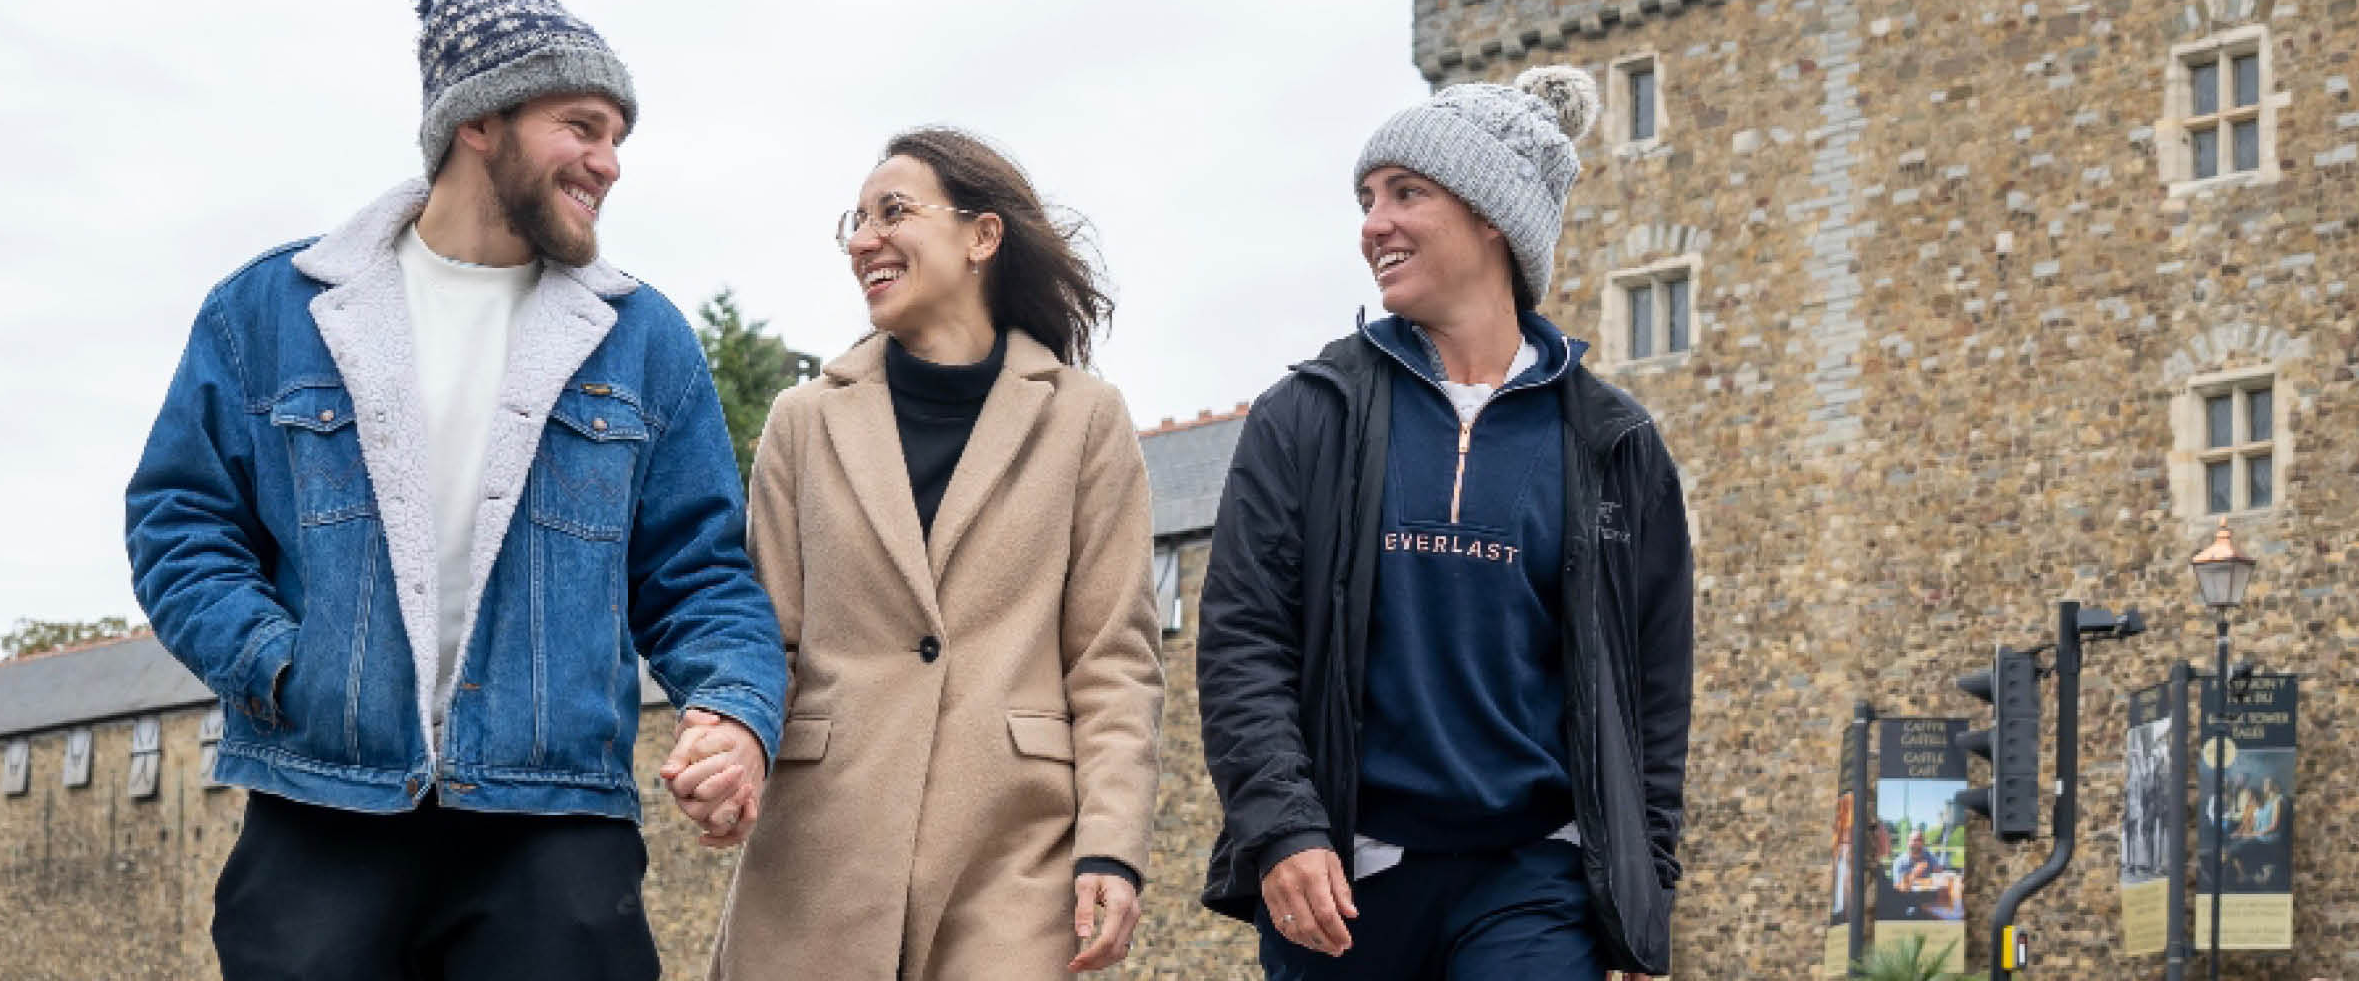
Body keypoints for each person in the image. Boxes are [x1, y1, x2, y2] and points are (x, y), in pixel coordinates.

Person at [123, 0, 786, 980]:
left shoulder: (643, 341)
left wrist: (735, 712)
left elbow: (700, 574)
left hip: (553, 824)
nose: (607, 164)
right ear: (480, 122)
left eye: (618, 139)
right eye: (582, 127)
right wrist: (280, 666)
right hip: (321, 805)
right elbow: (181, 527)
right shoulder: (268, 313)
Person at [1194, 65, 1697, 980]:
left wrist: (1640, 890)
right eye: (1366, 198)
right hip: (1340, 881)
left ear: (1492, 214)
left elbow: (1652, 695)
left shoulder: (1614, 444)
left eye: (1406, 193)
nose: (1372, 223)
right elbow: (1242, 644)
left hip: (1535, 881)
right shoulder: (1307, 415)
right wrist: (1282, 829)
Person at [671, 129, 1165, 978]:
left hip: (1014, 862)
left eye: (893, 212)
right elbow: (768, 640)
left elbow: (1112, 662)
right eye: (854, 222)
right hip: (821, 857)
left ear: (982, 236)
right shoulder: (803, 421)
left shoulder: (1086, 421)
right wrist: (733, 736)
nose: (864, 240)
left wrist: (1112, 849)